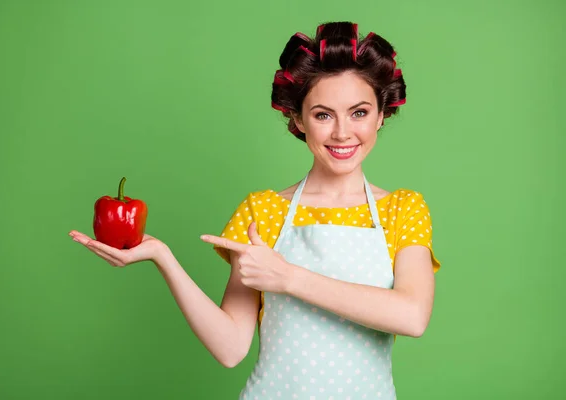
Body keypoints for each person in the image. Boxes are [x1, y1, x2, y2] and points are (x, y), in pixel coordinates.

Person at [69, 21, 441, 400]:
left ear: (381, 115)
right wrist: (162, 257)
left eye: (359, 113)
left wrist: (289, 278)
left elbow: (411, 316)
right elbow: (231, 348)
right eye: (323, 115)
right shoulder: (262, 210)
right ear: (298, 120)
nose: (343, 132)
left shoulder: (403, 208)